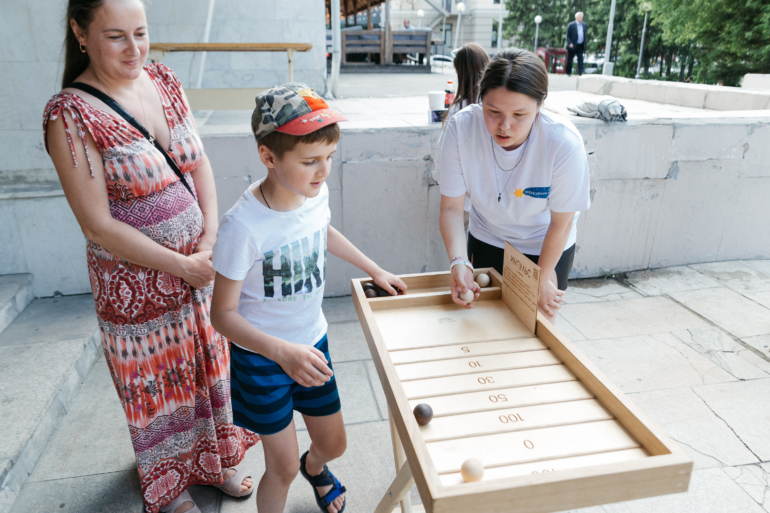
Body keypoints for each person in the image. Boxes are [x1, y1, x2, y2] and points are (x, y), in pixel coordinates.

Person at [42, 1, 258, 512]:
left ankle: (214, 459)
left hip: (198, 268)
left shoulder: (163, 79)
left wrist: (208, 236)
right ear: (79, 32)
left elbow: (198, 162)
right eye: (116, 36)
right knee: (158, 387)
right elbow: (97, 224)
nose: (134, 49)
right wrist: (181, 264)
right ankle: (170, 483)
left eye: (141, 33)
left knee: (210, 367)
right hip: (136, 287)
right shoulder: (70, 114)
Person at [210, 83, 408, 513]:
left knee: (333, 443)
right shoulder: (242, 227)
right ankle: (295, 473)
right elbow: (221, 315)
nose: (324, 171)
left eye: (329, 158)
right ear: (268, 157)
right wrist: (282, 353)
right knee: (278, 469)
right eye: (310, 161)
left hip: (312, 343)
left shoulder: (312, 195)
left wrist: (373, 268)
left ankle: (315, 468)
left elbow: (323, 231)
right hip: (263, 359)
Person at [438, 48, 590, 323]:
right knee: (480, 324)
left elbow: (562, 223)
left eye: (520, 114)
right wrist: (458, 261)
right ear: (480, 98)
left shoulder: (563, 143)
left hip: (544, 242)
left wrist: (541, 278)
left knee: (536, 327)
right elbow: (450, 208)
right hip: (487, 235)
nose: (504, 126)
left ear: (541, 102)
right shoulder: (461, 129)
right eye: (493, 111)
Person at [566, 12, 588, 76]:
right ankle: (568, 72)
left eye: (582, 16)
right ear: (576, 17)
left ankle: (581, 72)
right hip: (572, 45)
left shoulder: (584, 25)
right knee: (570, 59)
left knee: (580, 59)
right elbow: (567, 36)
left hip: (580, 45)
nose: (581, 18)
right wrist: (570, 43)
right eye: (580, 16)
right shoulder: (571, 25)